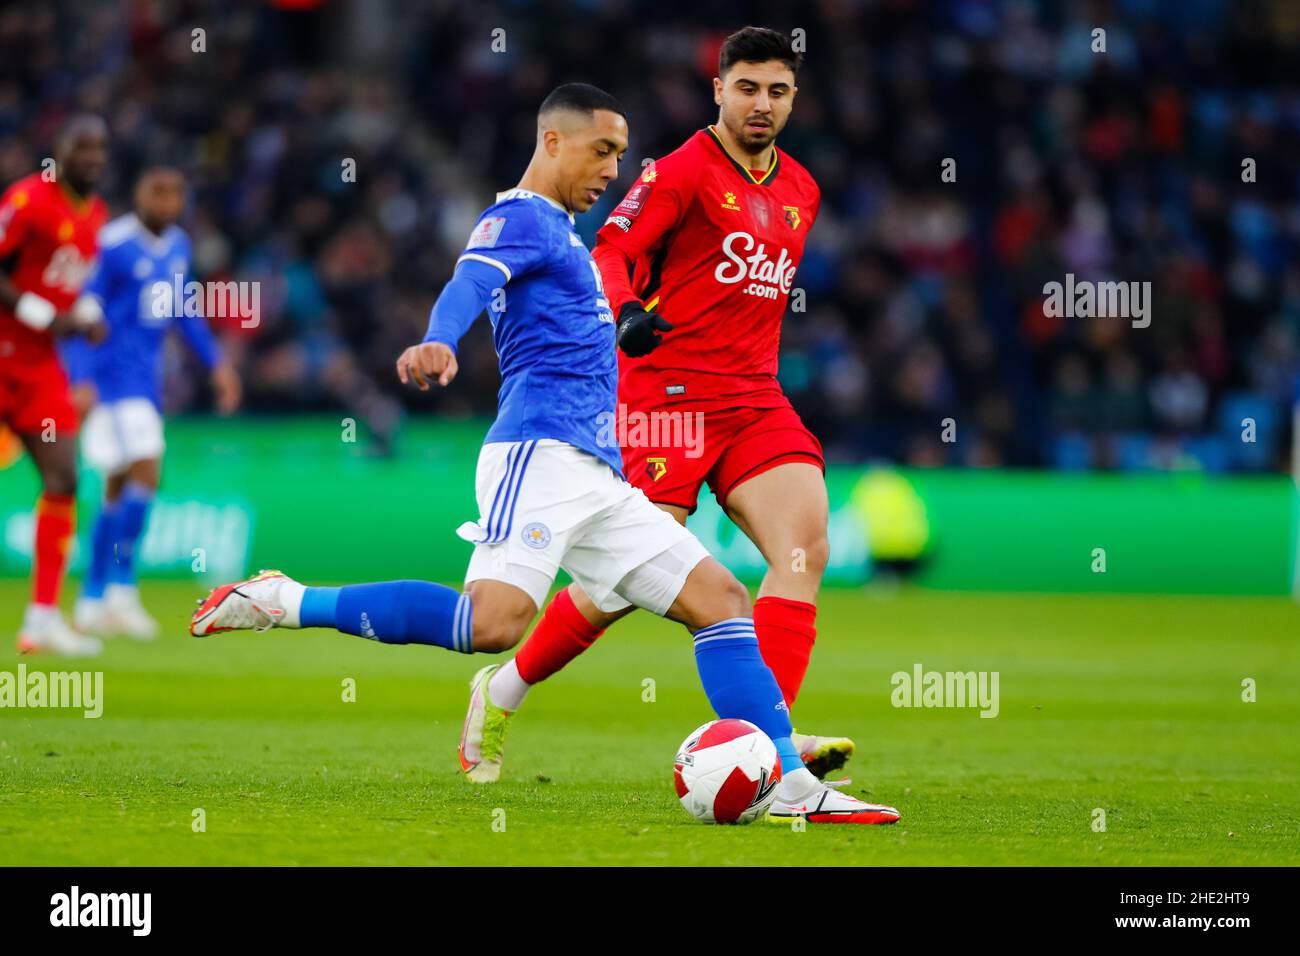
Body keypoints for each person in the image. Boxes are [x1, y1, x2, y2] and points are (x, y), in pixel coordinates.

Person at [190, 83, 898, 825]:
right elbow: (471, 278)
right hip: (538, 457)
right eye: (602, 152)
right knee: (489, 626)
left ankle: (790, 781)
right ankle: (284, 600)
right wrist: (439, 335)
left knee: (721, 601)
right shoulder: (520, 219)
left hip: (600, 471)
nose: (611, 172)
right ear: (553, 142)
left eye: (621, 156)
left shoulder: (564, 235)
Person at [469, 28, 867, 808]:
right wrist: (625, 313)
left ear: (794, 99)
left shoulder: (803, 190)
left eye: (777, 91)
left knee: (802, 551)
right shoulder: (679, 172)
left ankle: (772, 746)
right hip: (664, 395)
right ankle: (504, 687)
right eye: (746, 88)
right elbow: (612, 249)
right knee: (623, 584)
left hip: (754, 398)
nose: (761, 104)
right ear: (718, 90)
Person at [64, 166, 241, 639]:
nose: (165, 202)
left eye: (173, 194)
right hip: (109, 381)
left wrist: (217, 365)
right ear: (138, 195)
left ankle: (93, 597)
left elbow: (185, 314)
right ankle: (119, 591)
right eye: (156, 192)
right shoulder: (113, 243)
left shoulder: (178, 246)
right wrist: (79, 378)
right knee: (147, 467)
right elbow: (82, 311)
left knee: (117, 486)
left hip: (145, 383)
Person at [0, 115, 110, 656]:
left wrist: (87, 314)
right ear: (59, 151)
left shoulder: (96, 215)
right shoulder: (27, 201)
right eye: (81, 147)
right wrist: (42, 313)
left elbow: (76, 283)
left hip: (40, 368)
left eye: (99, 149)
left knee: (64, 476)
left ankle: (42, 616)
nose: (92, 157)